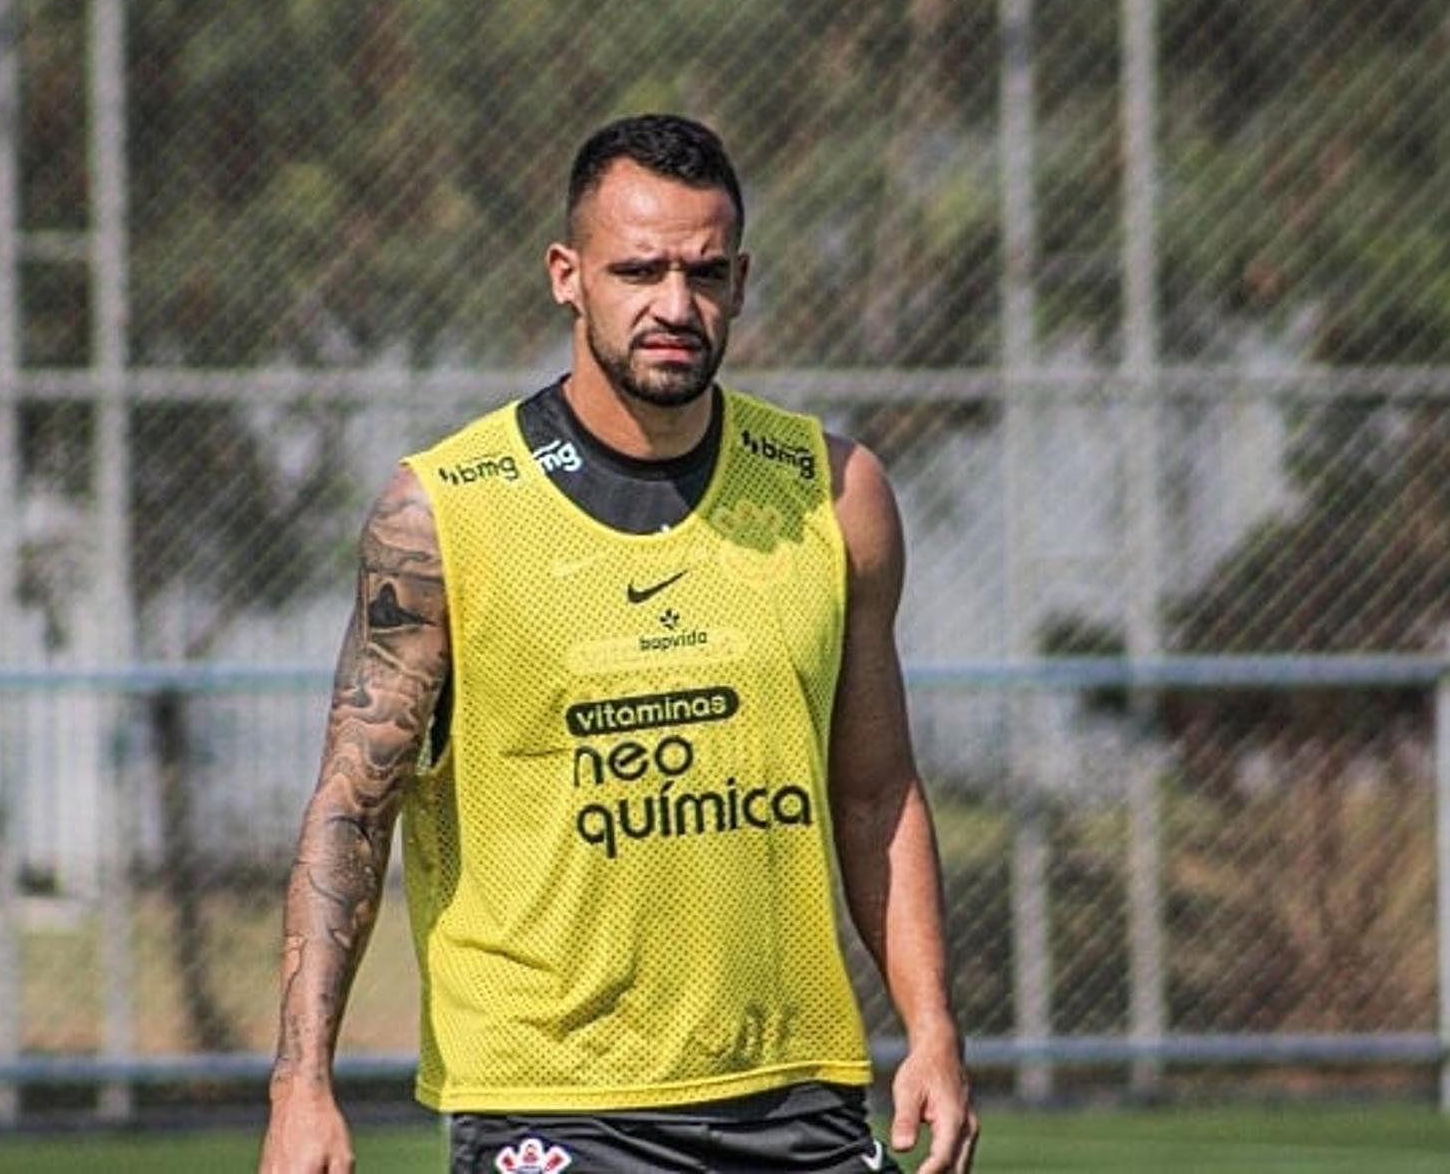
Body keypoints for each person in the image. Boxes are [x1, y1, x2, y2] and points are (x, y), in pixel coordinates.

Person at [260, 113, 977, 1174]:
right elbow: (352, 804)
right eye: (639, 269)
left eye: (706, 272)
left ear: (741, 280)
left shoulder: (834, 493)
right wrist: (301, 1082)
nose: (675, 306)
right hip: (550, 1102)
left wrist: (933, 1028)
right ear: (568, 274)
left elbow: (876, 791)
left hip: (797, 1091)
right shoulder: (444, 513)